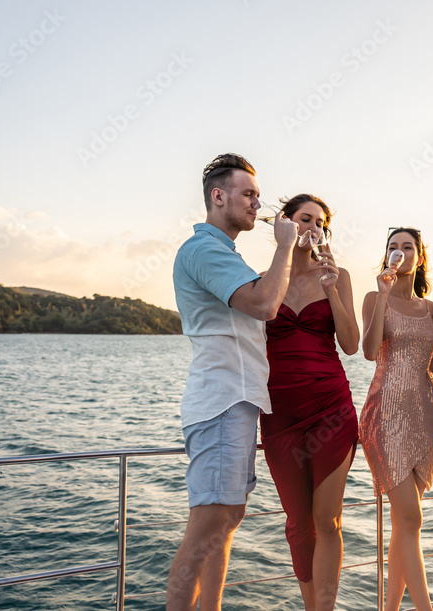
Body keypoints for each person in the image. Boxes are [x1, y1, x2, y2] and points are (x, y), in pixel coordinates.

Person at [166, 154, 298, 611]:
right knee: (208, 526)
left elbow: (266, 298)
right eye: (248, 194)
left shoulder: (225, 254)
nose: (257, 204)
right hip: (222, 400)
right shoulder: (204, 250)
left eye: (258, 195)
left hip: (236, 401)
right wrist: (284, 245)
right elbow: (265, 305)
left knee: (227, 519)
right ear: (217, 196)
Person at [260, 194, 361, 610]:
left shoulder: (339, 275)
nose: (313, 228)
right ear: (285, 224)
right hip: (280, 414)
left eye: (321, 222)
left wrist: (332, 290)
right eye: (305, 219)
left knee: (327, 521)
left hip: (331, 409)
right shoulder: (264, 280)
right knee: (299, 524)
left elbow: (352, 345)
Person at [360, 227, 433, 611]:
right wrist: (385, 294)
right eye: (393, 247)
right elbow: (369, 350)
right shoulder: (376, 297)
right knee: (411, 518)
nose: (400, 252)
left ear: (420, 257)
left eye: (408, 247)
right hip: (385, 415)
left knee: (403, 526)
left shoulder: (431, 309)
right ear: (387, 256)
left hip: (423, 417)